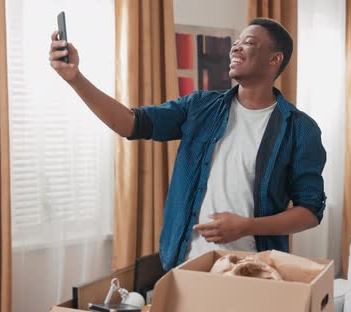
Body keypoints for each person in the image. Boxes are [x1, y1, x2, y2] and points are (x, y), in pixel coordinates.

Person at [49, 18, 326, 271]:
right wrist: (76, 79)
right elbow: (130, 123)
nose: (236, 49)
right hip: (185, 264)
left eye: (249, 43)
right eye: (237, 42)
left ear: (274, 59)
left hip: (253, 270)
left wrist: (246, 227)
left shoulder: (300, 129)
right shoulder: (200, 107)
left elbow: (310, 211)